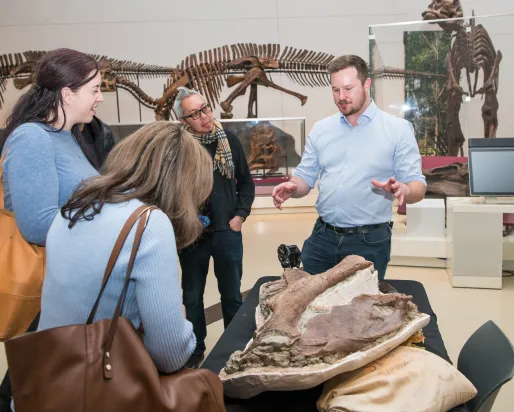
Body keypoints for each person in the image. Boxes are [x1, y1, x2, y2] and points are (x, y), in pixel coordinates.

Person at [0, 48, 106, 412]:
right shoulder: (32, 138)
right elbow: (37, 225)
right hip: (45, 294)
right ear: (67, 93)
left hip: (66, 288)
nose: (100, 98)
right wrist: (107, 229)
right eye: (94, 89)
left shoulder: (68, 137)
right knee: (32, 389)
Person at [272, 55, 426, 280]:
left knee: (359, 311)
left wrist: (405, 190)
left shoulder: (398, 130)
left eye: (348, 89)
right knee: (310, 307)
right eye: (335, 90)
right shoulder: (321, 129)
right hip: (322, 238)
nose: (341, 97)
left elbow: (418, 187)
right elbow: (305, 179)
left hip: (369, 242)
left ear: (367, 84)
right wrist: (292, 187)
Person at [174, 87, 255, 368]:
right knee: (193, 297)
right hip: (192, 237)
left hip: (227, 234)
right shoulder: (179, 147)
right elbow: (170, 191)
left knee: (232, 296)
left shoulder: (228, 140)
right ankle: (195, 351)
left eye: (204, 108)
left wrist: (239, 217)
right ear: (184, 121)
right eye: (194, 114)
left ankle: (232, 350)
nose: (204, 117)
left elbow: (245, 183)